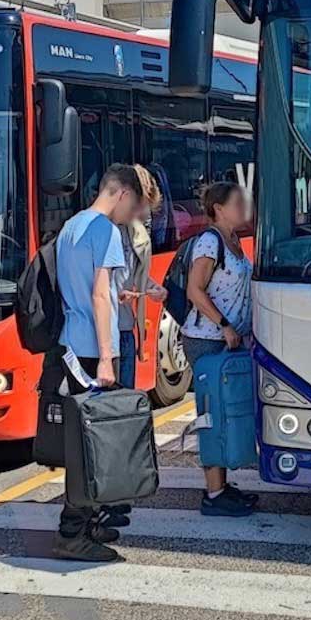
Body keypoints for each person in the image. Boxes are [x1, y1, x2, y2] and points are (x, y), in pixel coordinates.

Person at [53, 163, 143, 563]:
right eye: (134, 205)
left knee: (83, 442)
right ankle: (73, 533)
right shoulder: (105, 230)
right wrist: (107, 357)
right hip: (93, 349)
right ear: (121, 193)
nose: (132, 216)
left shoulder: (71, 226)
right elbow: (99, 296)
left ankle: (85, 524)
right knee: (94, 447)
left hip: (71, 344)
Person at [181, 181, 259, 518]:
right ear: (218, 208)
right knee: (211, 413)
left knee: (228, 411)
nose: (243, 207)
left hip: (228, 339)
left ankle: (222, 486)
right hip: (207, 340)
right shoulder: (210, 242)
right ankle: (213, 494)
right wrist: (224, 324)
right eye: (237, 202)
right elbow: (194, 291)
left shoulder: (235, 241)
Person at [116, 165, 168, 390]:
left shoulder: (136, 232)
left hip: (126, 331)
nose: (140, 217)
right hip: (101, 336)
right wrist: (111, 295)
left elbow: (136, 276)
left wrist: (154, 289)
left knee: (123, 411)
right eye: (138, 209)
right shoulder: (95, 230)